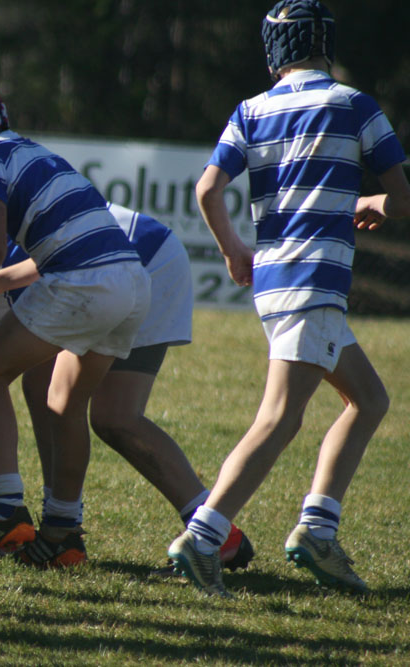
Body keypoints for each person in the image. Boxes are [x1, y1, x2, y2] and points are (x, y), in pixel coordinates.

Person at [167, 0, 410, 597]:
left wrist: (234, 251)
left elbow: (207, 188)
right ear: (325, 44)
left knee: (370, 400)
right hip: (316, 280)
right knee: (279, 417)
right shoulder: (355, 105)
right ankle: (203, 537)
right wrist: (376, 205)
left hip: (275, 279)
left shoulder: (251, 110)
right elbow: (404, 199)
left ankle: (318, 529)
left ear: (274, 51)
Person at [0, 211, 253, 572]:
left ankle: (31, 517)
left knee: (92, 408)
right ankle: (214, 533)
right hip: (148, 251)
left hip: (127, 257)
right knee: (102, 412)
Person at [0, 80, 151, 568]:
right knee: (65, 405)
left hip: (85, 282)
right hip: (132, 282)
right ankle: (63, 533)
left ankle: (7, 509)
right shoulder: (33, 152)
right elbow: (59, 245)